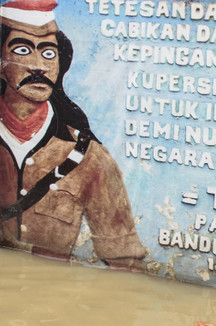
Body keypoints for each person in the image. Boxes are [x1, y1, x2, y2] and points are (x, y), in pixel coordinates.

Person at [0, 0, 146, 269]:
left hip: (52, 305)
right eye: (22, 50)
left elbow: (125, 267)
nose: (39, 67)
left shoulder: (88, 157)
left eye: (48, 53)